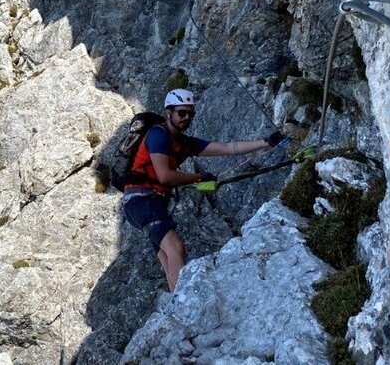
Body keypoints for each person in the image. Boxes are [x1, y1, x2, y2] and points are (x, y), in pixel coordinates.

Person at [122, 88, 284, 291]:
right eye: (182, 113)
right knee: (175, 247)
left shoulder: (183, 143)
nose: (187, 118)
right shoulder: (158, 135)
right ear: (168, 113)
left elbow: (227, 148)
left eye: (191, 113)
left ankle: (176, 303)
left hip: (146, 202)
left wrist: (266, 142)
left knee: (167, 258)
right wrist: (199, 177)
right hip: (141, 198)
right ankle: (185, 302)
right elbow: (165, 176)